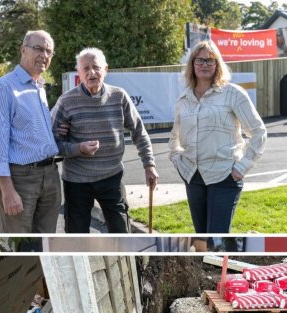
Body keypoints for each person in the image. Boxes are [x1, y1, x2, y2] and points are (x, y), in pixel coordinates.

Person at [51, 47, 159, 233]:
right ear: (79, 72)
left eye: (96, 67)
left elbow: (139, 131)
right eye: (85, 68)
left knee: (121, 232)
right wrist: (78, 148)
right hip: (77, 181)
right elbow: (52, 145)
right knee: (76, 237)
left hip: (112, 177)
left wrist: (149, 164)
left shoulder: (119, 96)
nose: (91, 72)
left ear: (106, 69)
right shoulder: (66, 102)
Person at [169, 40, 267, 235]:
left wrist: (243, 166)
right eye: (200, 60)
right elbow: (174, 138)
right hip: (193, 176)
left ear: (217, 64)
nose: (205, 64)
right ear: (192, 64)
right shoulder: (183, 100)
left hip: (224, 175)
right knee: (202, 238)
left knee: (217, 239)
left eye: (210, 60)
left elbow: (258, 131)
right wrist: (177, 158)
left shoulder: (233, 94)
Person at [0, 30, 61, 233]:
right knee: (18, 246)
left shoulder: (39, 87)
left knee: (45, 244)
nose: (44, 55)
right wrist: (7, 190)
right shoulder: (5, 87)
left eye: (49, 51)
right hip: (22, 180)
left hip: (50, 176)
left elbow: (30, 132)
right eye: (38, 48)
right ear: (23, 50)